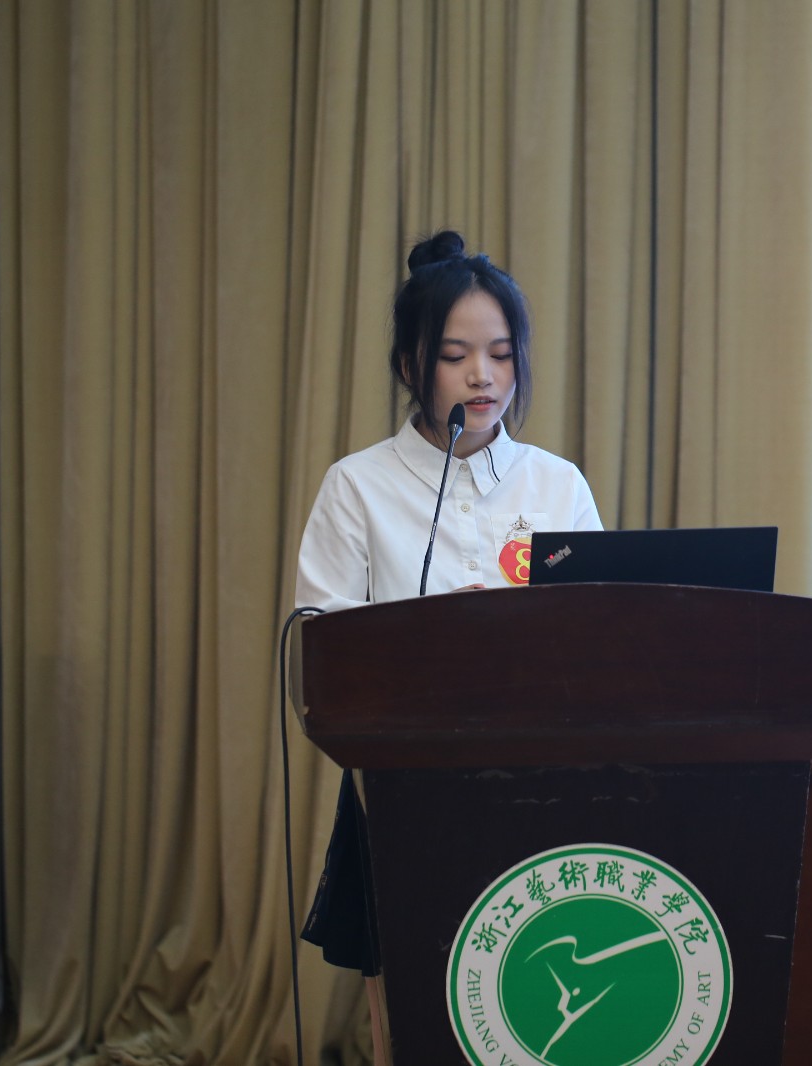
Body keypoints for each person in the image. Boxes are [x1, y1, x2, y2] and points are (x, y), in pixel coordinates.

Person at [293, 231, 603, 1056]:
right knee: (416, 1024)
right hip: (402, 795)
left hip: (547, 788)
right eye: (456, 356)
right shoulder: (357, 486)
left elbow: (603, 638)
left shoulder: (557, 485)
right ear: (410, 365)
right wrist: (432, 635)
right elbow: (323, 647)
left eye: (500, 355)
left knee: (538, 1015)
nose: (482, 377)